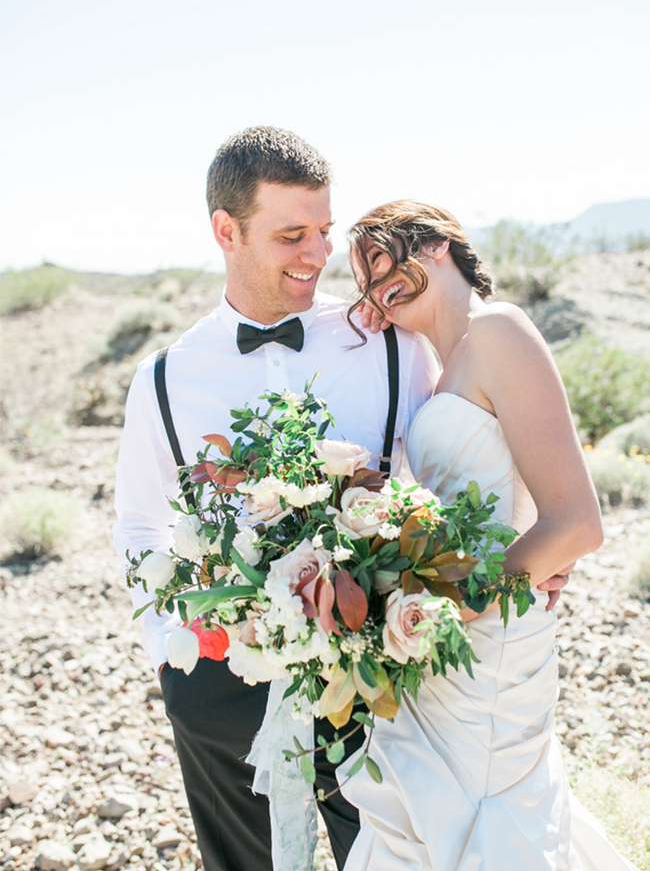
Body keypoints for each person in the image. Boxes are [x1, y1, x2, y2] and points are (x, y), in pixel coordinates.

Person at [113, 131, 568, 871]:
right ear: (226, 231)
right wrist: (172, 650)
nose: (315, 253)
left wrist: (530, 550)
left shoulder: (391, 342)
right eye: (291, 234)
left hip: (375, 671)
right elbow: (139, 521)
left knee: (389, 855)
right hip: (224, 680)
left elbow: (469, 457)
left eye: (323, 231)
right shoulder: (164, 378)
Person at [338, 200, 638, 870]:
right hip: (440, 635)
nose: (372, 290)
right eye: (361, 282)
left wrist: (465, 601)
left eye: (379, 259)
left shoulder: (498, 330)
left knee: (491, 814)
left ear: (437, 245)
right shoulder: (435, 371)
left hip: (490, 637)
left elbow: (578, 522)